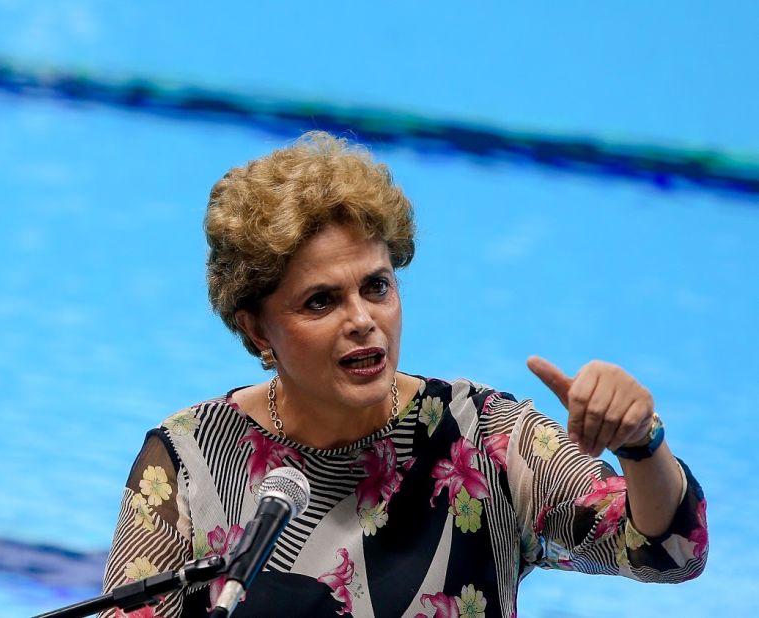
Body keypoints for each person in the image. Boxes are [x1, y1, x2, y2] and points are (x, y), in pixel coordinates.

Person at [100, 132, 707, 617]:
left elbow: (668, 551)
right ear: (259, 331)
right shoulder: (189, 458)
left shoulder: (485, 437)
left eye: (377, 287)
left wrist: (640, 444)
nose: (363, 320)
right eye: (321, 301)